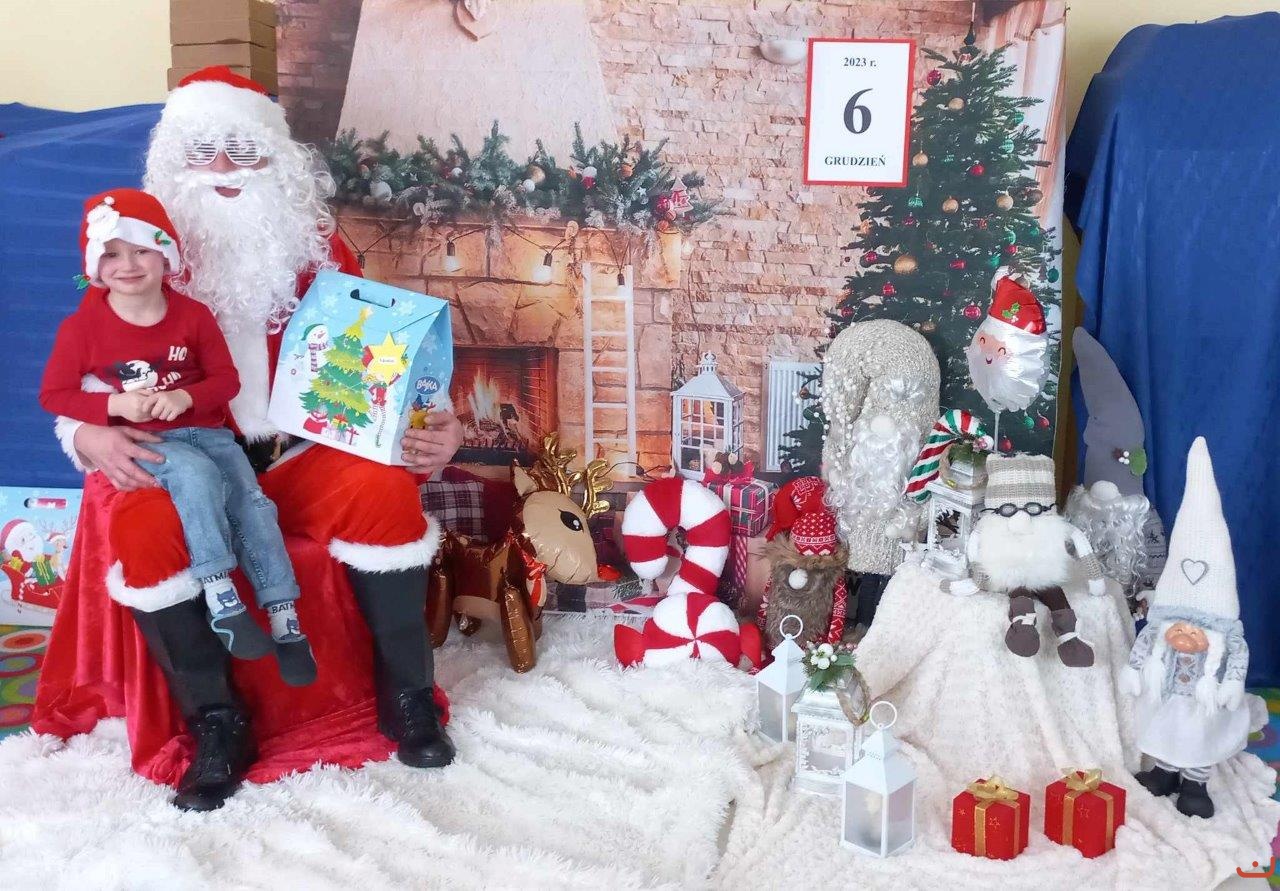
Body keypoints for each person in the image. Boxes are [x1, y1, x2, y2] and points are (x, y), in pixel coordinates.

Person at [35, 66, 464, 812]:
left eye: (244, 149)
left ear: (279, 162)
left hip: (302, 458)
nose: (225, 169)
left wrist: (435, 419)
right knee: (143, 529)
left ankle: (407, 696)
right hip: (185, 461)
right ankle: (216, 722)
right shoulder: (135, 265)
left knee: (383, 489)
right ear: (173, 163)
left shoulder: (321, 251)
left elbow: (388, 358)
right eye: (204, 151)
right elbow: (83, 368)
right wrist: (85, 433)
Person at [40, 189, 316, 686]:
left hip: (208, 432)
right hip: (154, 444)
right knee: (196, 475)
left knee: (253, 504)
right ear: (94, 264)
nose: (127, 265)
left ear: (165, 256)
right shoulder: (82, 328)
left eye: (141, 250)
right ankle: (220, 593)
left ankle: (284, 616)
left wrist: (186, 397)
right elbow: (54, 394)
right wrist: (114, 406)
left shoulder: (192, 315)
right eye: (111, 254)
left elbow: (226, 381)